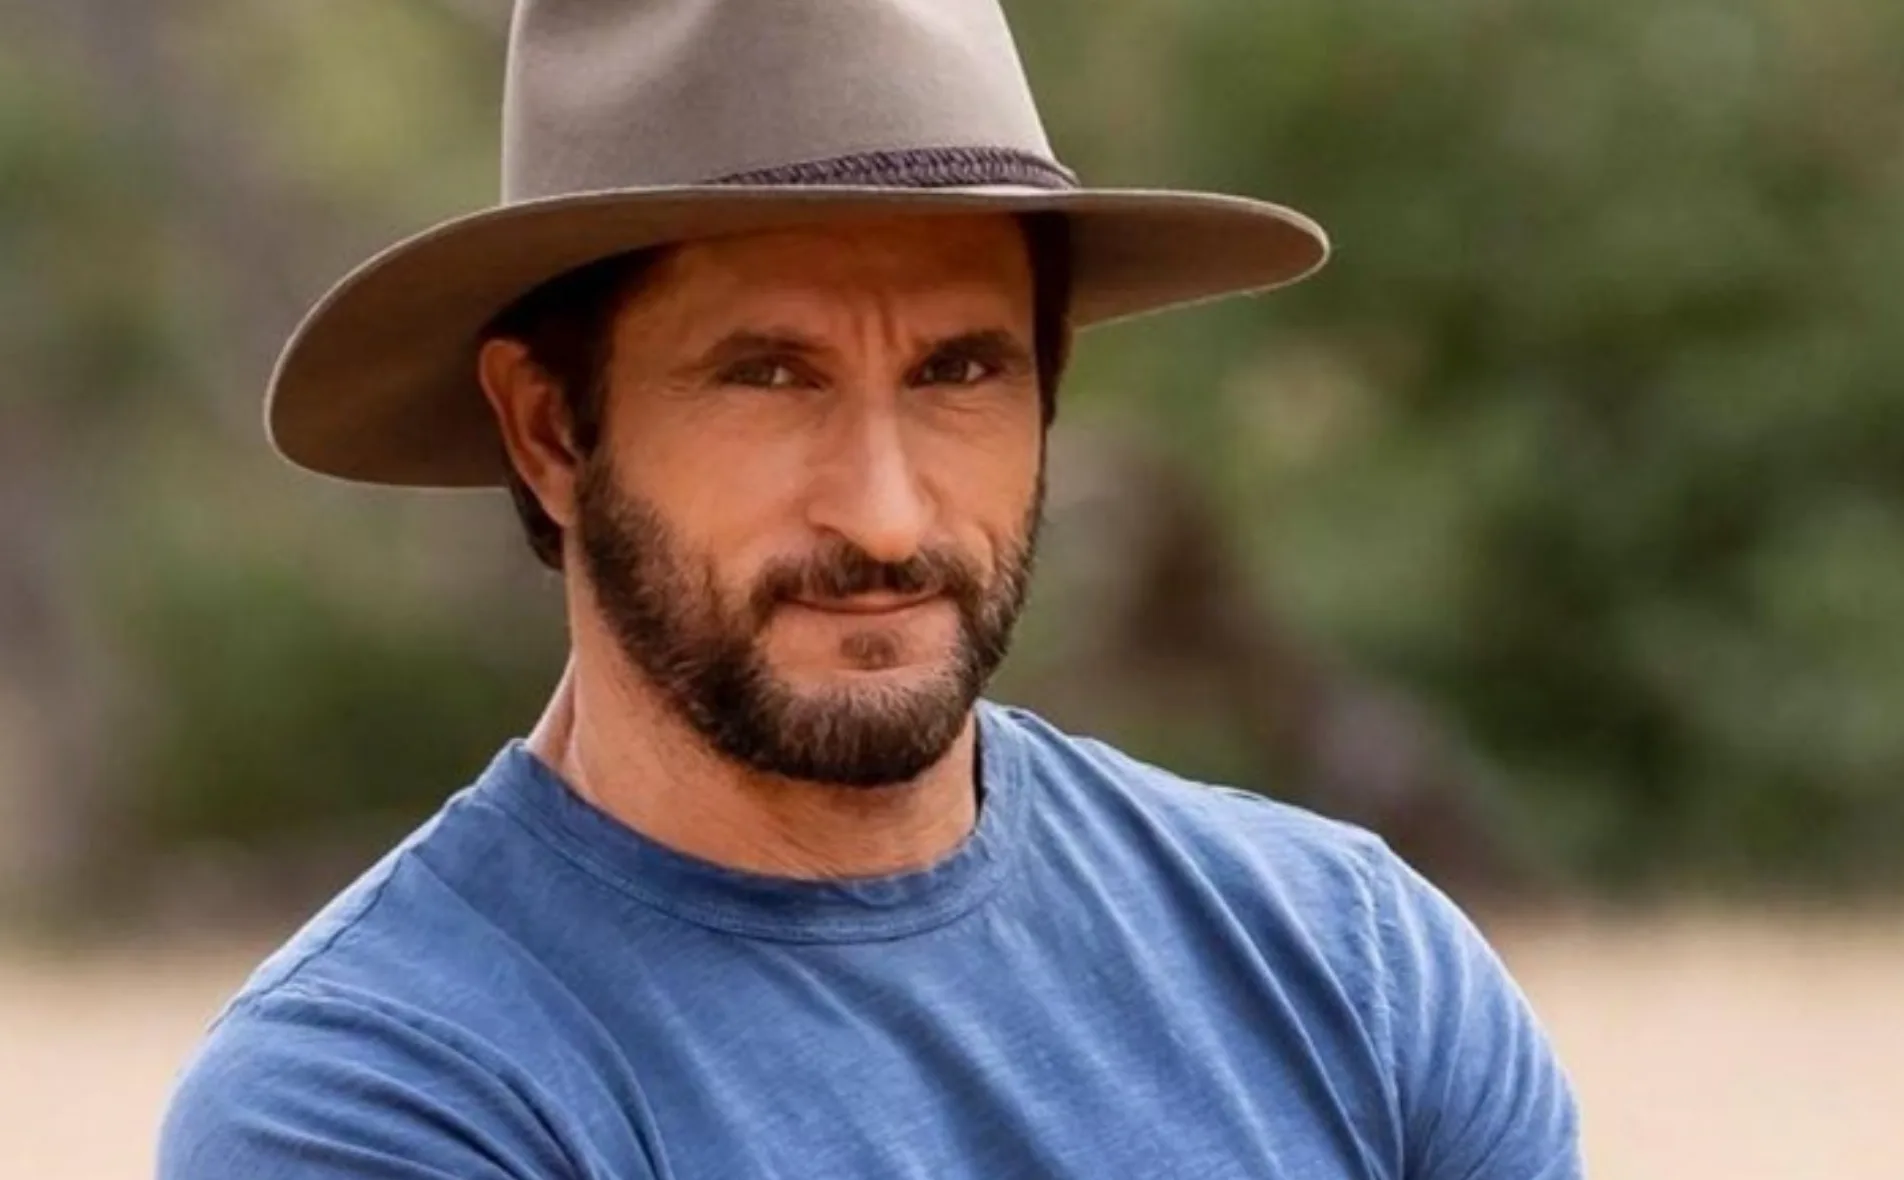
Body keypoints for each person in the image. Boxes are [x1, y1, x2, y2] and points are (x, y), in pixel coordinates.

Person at [158, 1, 1581, 1177]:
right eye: (767, 377)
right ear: (550, 430)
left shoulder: (1352, 975)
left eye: (960, 370)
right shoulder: (381, 1098)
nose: (888, 517)